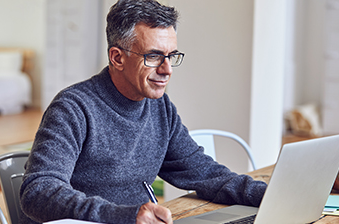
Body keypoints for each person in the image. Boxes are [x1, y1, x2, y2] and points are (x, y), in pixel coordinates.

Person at [19, 0, 267, 223]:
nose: (167, 69)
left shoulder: (160, 107)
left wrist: (269, 194)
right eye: (154, 56)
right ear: (117, 58)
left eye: (171, 56)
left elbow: (204, 174)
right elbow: (38, 191)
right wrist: (124, 216)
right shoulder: (72, 108)